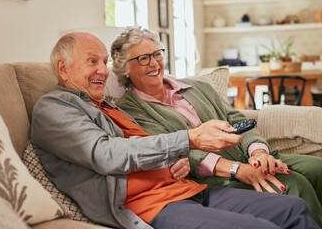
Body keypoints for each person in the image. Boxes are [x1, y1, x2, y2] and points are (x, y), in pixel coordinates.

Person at [30, 31, 320, 229]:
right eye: (92, 61)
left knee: (294, 210)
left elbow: (150, 146)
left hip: (189, 188)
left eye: (104, 62)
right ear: (63, 69)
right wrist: (189, 141)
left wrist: (174, 159)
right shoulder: (54, 108)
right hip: (153, 205)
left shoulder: (107, 106)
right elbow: (106, 154)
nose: (102, 71)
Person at [112, 26, 322, 226]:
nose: (154, 63)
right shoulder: (130, 110)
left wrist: (258, 152)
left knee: (317, 168)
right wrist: (237, 170)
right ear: (125, 69)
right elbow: (174, 153)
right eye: (143, 58)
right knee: (295, 185)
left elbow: (237, 119)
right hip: (216, 177)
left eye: (157, 54)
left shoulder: (197, 87)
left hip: (248, 155)